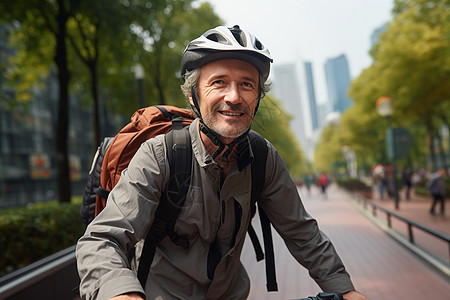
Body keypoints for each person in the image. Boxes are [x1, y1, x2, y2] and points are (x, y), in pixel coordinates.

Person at [76, 25, 367, 300]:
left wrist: (344, 289)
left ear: (257, 98)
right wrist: (120, 292)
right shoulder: (160, 154)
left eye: (246, 85)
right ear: (193, 96)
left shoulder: (263, 158)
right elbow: (103, 239)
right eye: (219, 83)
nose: (234, 97)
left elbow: (302, 233)